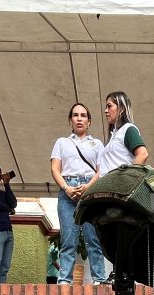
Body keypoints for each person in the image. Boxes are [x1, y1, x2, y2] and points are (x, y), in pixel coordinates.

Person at [50, 102, 108, 285]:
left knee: (93, 237)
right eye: (75, 115)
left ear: (89, 121)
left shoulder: (97, 143)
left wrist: (89, 186)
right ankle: (64, 280)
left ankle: (99, 279)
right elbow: (55, 168)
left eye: (83, 115)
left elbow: (101, 170)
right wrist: (66, 188)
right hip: (67, 189)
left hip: (90, 191)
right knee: (68, 238)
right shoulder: (62, 142)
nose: (79, 118)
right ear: (70, 121)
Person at [99, 91, 149, 176]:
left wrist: (129, 178)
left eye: (109, 106)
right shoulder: (114, 135)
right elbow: (103, 170)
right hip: (106, 182)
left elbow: (143, 154)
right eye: (106, 107)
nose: (105, 111)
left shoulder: (128, 129)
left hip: (119, 183)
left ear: (121, 109)